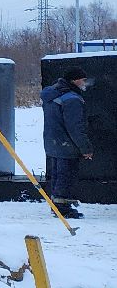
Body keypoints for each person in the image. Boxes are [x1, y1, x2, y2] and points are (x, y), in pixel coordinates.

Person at [41, 66, 95, 220]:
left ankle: (57, 206)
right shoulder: (72, 99)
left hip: (53, 142)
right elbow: (75, 127)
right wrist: (86, 148)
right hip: (67, 144)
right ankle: (63, 209)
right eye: (83, 80)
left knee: (58, 175)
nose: (85, 83)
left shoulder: (52, 94)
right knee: (66, 176)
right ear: (75, 80)